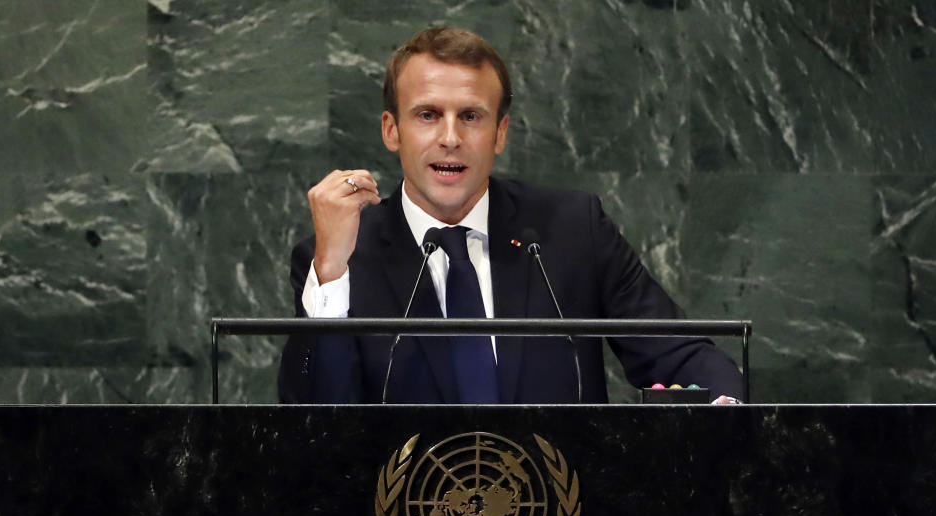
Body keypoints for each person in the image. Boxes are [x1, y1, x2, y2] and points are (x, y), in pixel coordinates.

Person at [278, 26, 744, 405]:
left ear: (500, 132)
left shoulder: (571, 228)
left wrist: (727, 410)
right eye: (427, 115)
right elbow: (308, 419)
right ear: (391, 130)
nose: (450, 137)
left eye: (471, 116)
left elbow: (681, 353)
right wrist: (332, 270)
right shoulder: (338, 257)